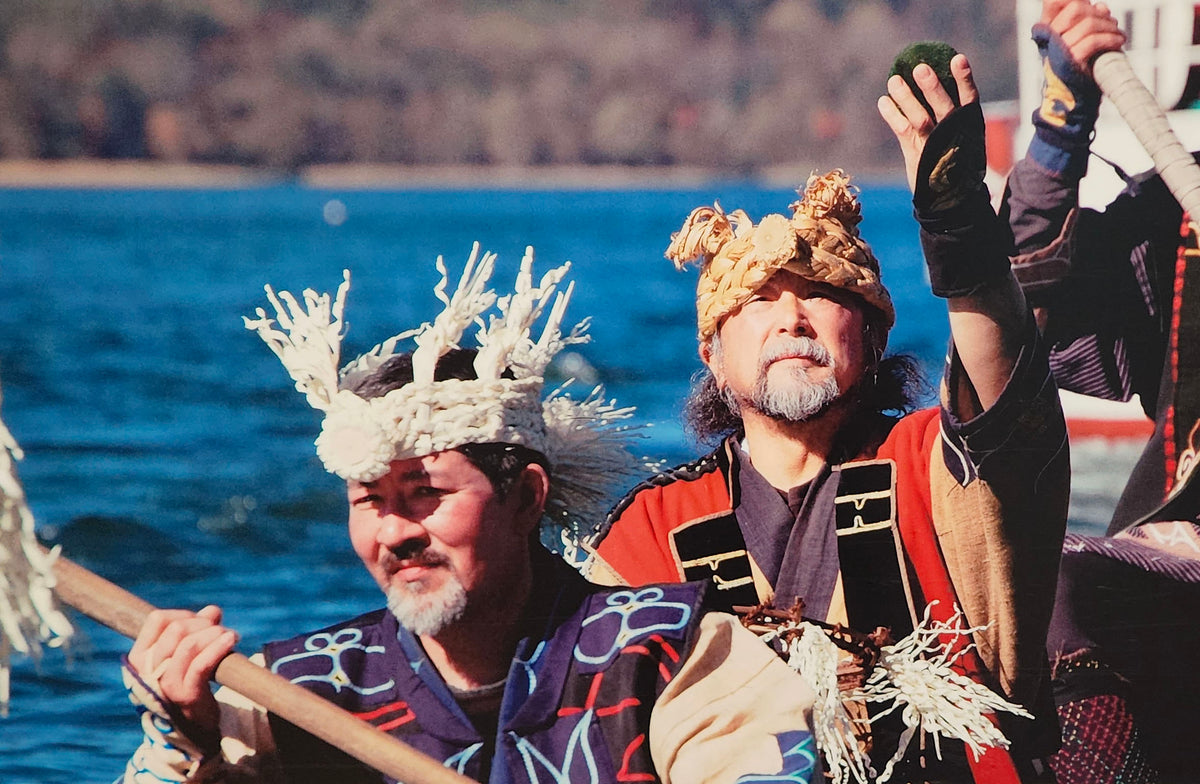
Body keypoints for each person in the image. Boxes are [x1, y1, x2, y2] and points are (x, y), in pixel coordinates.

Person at [118, 247, 820, 783]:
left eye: (425, 493)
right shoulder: (296, 693)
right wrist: (192, 741)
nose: (394, 532)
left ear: (526, 498)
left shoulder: (675, 656)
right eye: (369, 501)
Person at [586, 51, 1069, 783]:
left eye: (821, 295)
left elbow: (1002, 391)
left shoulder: (932, 469)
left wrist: (956, 218)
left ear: (872, 342)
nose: (792, 318)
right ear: (712, 356)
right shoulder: (649, 531)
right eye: (759, 300)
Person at [1003, 1, 1200, 781]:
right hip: (1183, 560)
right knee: (1052, 579)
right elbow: (1024, 320)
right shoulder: (1184, 219)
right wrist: (1059, 129)